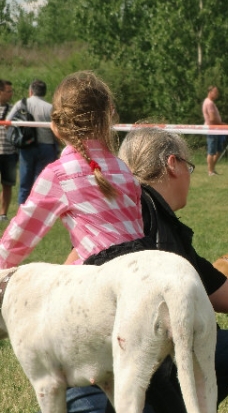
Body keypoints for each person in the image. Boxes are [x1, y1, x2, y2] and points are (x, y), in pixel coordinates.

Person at [29, 126, 228, 413]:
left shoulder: (140, 217)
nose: (191, 176)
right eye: (190, 166)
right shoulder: (144, 217)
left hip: (125, 356)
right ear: (173, 165)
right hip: (96, 373)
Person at [0, 71, 145, 270]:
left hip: (97, 276)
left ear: (57, 126)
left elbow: (20, 235)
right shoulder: (122, 169)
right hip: (138, 267)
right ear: (108, 116)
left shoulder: (58, 175)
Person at [6, 79, 58, 204]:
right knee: (40, 182)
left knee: (25, 182)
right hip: (47, 147)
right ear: (44, 92)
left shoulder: (21, 104)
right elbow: (57, 129)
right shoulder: (50, 108)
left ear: (30, 91)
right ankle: (36, 208)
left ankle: (22, 211)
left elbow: (8, 122)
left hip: (27, 146)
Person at [0, 79, 17, 220]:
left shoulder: (13, 109)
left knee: (7, 184)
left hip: (9, 153)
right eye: (8, 91)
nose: (11, 94)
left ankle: (3, 214)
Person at [203, 85, 225, 176]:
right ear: (210, 92)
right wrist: (223, 124)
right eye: (215, 92)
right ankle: (210, 171)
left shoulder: (210, 102)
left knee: (219, 150)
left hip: (216, 130)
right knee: (211, 151)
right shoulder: (209, 103)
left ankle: (212, 168)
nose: (217, 94)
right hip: (212, 129)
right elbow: (212, 118)